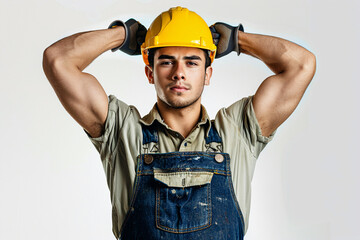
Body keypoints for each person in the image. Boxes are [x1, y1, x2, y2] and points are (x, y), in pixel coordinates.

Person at [43, 6, 316, 240]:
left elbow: (302, 65)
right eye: (166, 61)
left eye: (192, 61)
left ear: (208, 73)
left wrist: (236, 40)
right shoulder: (120, 131)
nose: (179, 73)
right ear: (150, 72)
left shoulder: (239, 131)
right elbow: (57, 60)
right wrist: (122, 34)